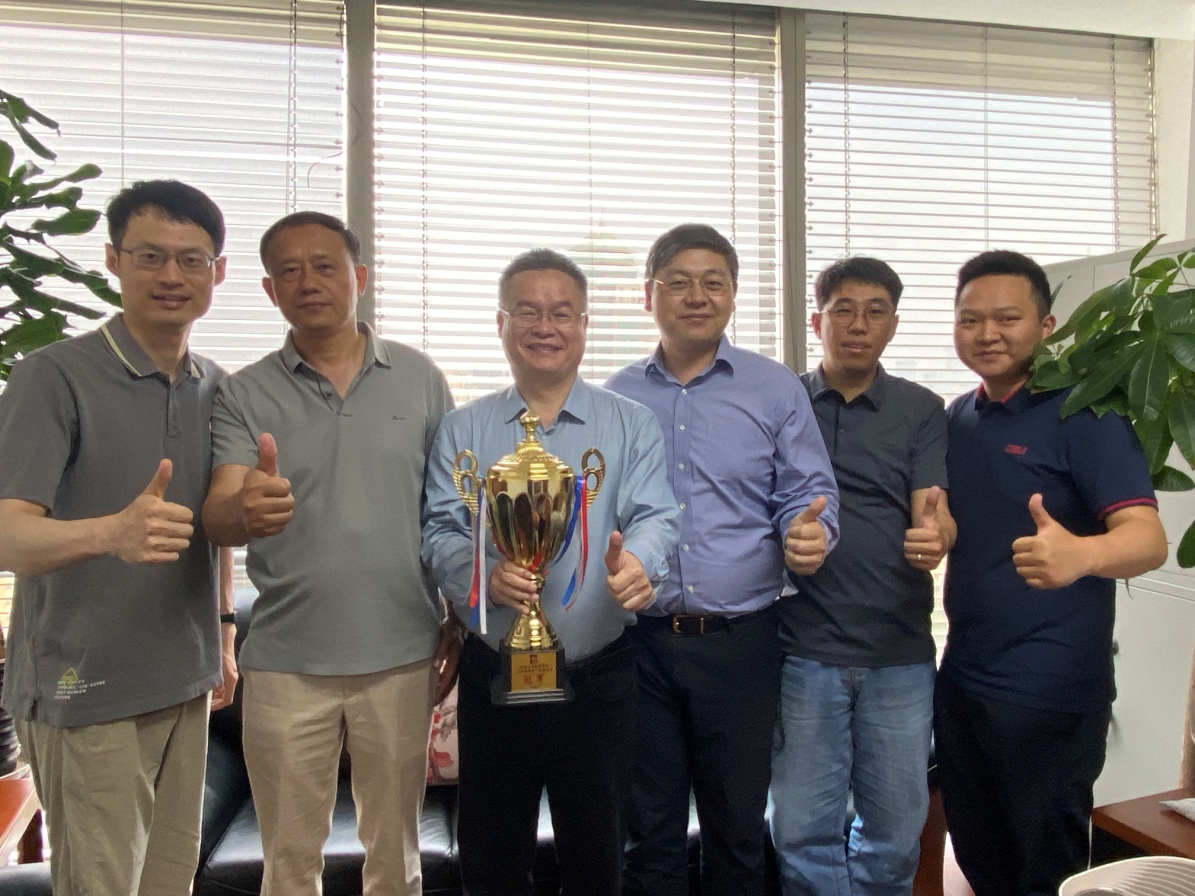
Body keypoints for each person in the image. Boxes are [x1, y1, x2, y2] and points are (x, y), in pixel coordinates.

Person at [201, 212, 459, 896]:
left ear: (359, 277)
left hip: (401, 654)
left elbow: (451, 511)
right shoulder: (242, 392)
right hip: (286, 662)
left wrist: (457, 617)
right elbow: (219, 513)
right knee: (289, 863)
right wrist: (243, 510)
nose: (307, 281)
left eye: (324, 266)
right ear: (269, 290)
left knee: (396, 859)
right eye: (288, 271)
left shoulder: (420, 378)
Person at [0, 179, 237, 895]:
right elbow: (8, 537)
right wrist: (112, 532)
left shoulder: (215, 385)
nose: (172, 276)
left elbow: (213, 526)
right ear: (113, 260)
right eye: (150, 255)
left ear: (217, 272)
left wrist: (225, 633)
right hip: (85, 688)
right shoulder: (53, 377)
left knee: (169, 881)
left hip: (185, 679)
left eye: (192, 259)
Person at [422, 248, 680, 896]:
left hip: (600, 678)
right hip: (494, 674)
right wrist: (482, 573)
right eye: (528, 312)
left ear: (584, 325)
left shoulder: (630, 425)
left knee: (597, 862)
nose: (545, 327)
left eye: (562, 313)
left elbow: (656, 516)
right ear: (501, 323)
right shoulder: (463, 428)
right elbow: (440, 530)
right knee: (491, 862)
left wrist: (639, 562)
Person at [606, 223, 840, 896]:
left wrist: (811, 534)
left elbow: (808, 492)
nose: (696, 296)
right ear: (648, 295)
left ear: (733, 294)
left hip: (742, 643)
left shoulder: (773, 389)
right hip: (641, 642)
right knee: (647, 835)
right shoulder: (615, 396)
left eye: (713, 282)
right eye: (678, 282)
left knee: (736, 831)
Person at [937, 249, 1168, 896]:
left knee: (1045, 870)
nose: (987, 334)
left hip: (1049, 689)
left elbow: (1148, 538)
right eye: (970, 320)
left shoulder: (1085, 416)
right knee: (979, 859)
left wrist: (1082, 555)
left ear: (1045, 325)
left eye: (1006, 318)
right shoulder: (958, 417)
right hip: (962, 680)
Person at [769, 256, 956, 896]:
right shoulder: (783, 401)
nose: (858, 325)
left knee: (895, 831)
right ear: (817, 321)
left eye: (875, 312)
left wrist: (937, 537)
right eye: (843, 310)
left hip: (897, 652)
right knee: (800, 829)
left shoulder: (921, 408)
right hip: (802, 650)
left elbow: (935, 512)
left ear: (893, 325)